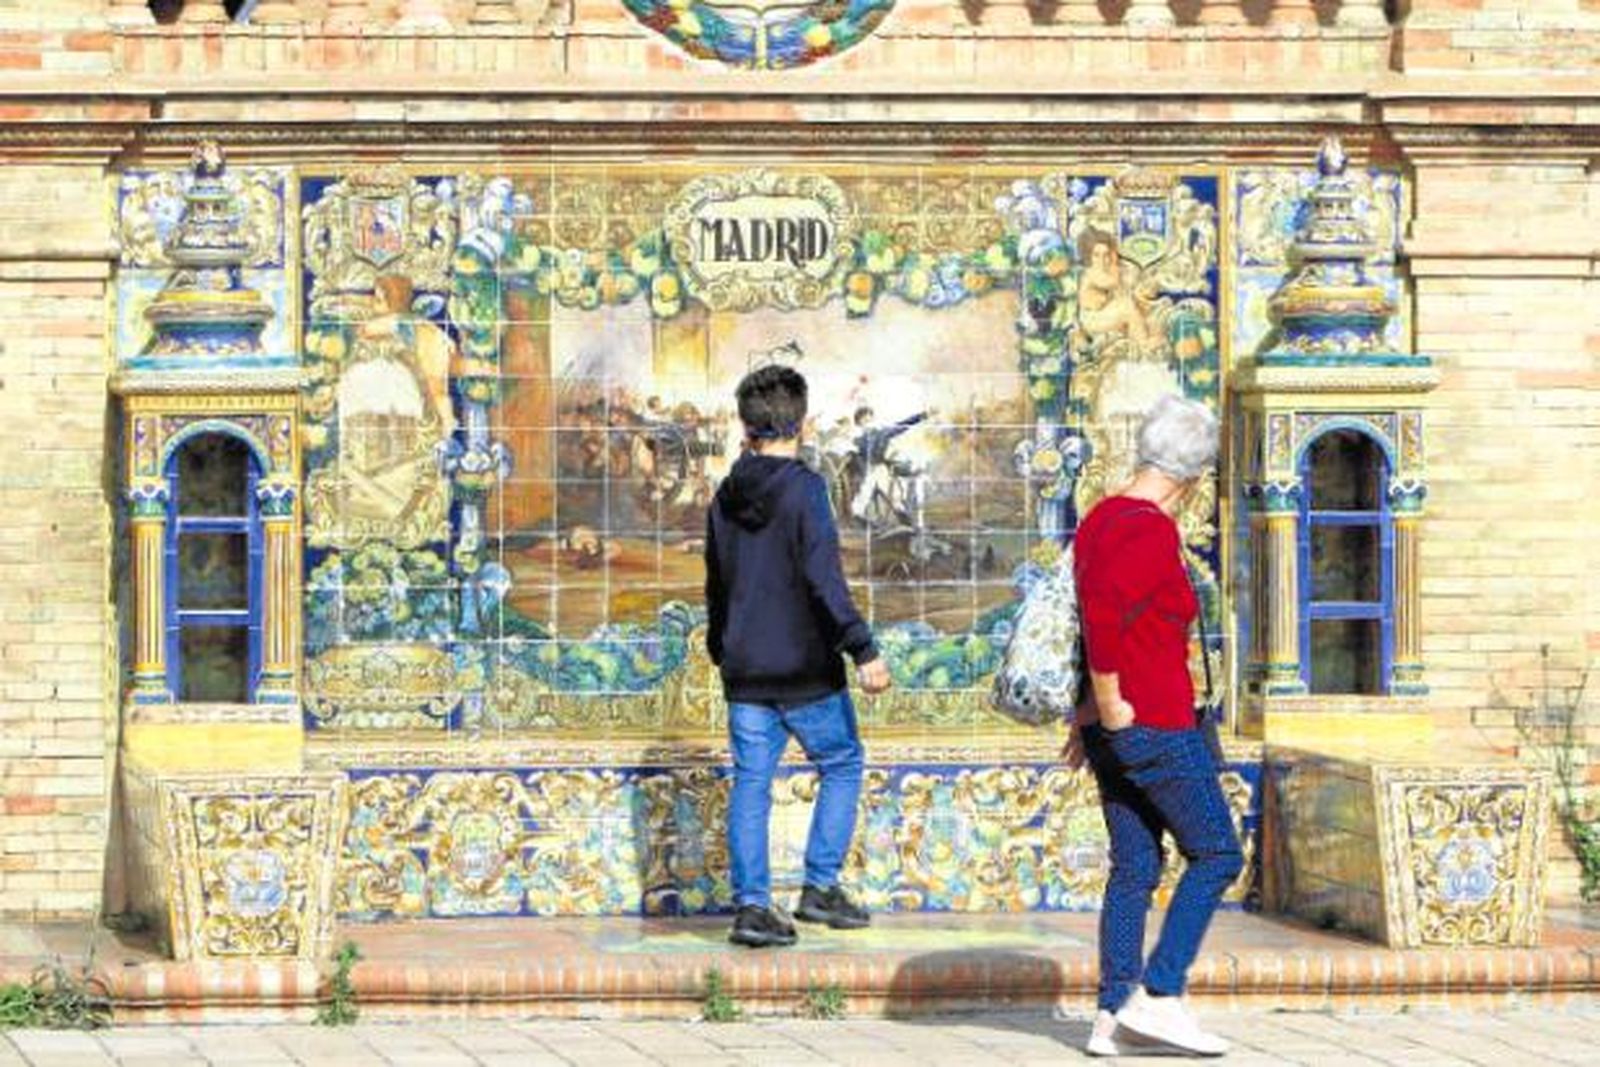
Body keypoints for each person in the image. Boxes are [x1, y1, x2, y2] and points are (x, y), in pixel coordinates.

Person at [1064, 394, 1243, 1058]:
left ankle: (1111, 1014)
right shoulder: (1145, 528)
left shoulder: (1102, 517)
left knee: (1136, 863)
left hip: (1117, 727)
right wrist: (1110, 701)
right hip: (1154, 721)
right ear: (1193, 477)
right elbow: (1105, 618)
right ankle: (1159, 993)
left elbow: (1094, 616)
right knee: (1219, 852)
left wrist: (1090, 714)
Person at [704, 365, 893, 949]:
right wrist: (862, 647)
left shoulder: (724, 495)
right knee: (841, 762)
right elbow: (823, 578)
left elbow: (716, 580)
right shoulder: (806, 488)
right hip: (806, 668)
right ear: (802, 424)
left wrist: (723, 649)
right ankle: (819, 886)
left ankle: (753, 908)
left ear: (746, 424)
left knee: (751, 784)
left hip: (745, 670)